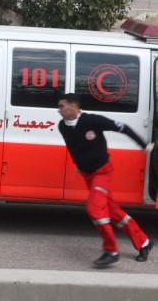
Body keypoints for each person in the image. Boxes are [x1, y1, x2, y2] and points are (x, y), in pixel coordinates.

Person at [57, 93, 154, 267]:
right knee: (114, 212)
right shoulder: (62, 126)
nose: (59, 110)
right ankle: (144, 241)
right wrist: (77, 164)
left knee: (95, 209)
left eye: (61, 106)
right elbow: (72, 147)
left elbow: (122, 127)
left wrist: (143, 144)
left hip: (102, 172)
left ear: (73, 107)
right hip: (88, 175)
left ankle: (111, 250)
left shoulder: (92, 120)